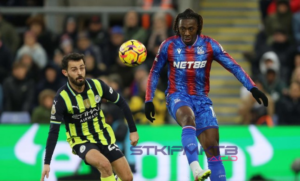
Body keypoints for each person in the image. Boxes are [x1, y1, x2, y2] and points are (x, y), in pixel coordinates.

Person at [144, 9, 268, 181]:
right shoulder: (169, 45)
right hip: (177, 95)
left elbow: (233, 66)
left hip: (202, 100)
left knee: (213, 149)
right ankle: (196, 170)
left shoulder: (210, 45)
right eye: (182, 29)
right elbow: (154, 72)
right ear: (177, 28)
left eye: (190, 28)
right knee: (188, 119)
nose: (186, 33)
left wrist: (252, 88)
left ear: (198, 27)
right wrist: (148, 99)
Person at [41, 53, 139, 181]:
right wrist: (47, 162)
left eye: (82, 68)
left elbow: (122, 102)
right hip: (81, 140)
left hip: (103, 136)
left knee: (127, 178)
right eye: (74, 69)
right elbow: (54, 131)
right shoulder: (61, 98)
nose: (80, 72)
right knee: (104, 165)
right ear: (65, 73)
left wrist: (133, 130)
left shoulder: (97, 86)